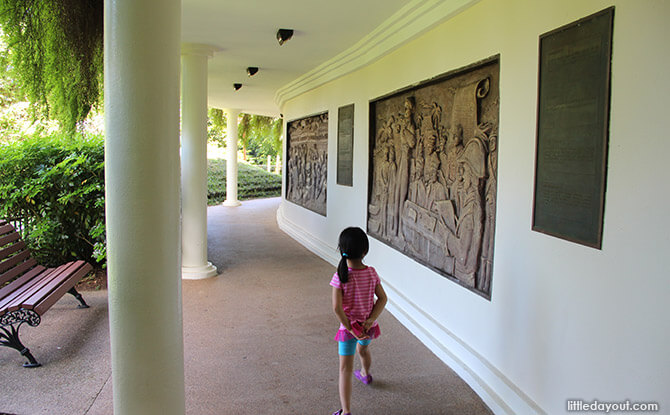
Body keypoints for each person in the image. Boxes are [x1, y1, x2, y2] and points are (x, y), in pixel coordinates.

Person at [330, 227, 388, 415]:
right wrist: (371, 319)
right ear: (365, 251)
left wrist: (351, 329)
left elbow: (337, 308)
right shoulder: (371, 272)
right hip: (367, 328)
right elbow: (382, 298)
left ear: (341, 250)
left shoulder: (340, 275)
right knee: (363, 349)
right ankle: (365, 374)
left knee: (345, 369)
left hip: (348, 330)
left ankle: (346, 411)